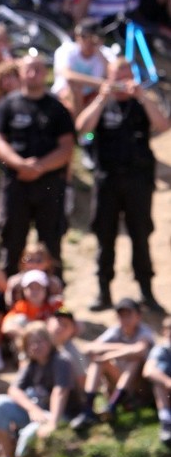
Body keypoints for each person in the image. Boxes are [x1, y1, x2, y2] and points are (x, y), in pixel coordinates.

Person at [75, 56, 169, 313]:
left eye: (127, 73)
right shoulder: (100, 102)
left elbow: (163, 125)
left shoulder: (141, 103)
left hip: (139, 181)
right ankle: (104, 291)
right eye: (118, 74)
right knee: (105, 237)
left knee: (141, 236)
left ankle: (146, 291)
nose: (123, 79)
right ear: (109, 76)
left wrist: (143, 97)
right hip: (107, 181)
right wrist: (102, 97)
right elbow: (83, 129)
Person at [0, 53, 75, 275]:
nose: (33, 73)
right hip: (16, 182)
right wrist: (21, 165)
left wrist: (39, 167)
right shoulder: (7, 105)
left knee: (51, 243)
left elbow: (67, 147)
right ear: (20, 73)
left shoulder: (57, 108)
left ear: (45, 74)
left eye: (38, 69)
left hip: (49, 183)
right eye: (28, 69)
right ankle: (8, 298)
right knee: (12, 241)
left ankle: (55, 300)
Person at [0, 322, 76, 457]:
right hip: (38, 413)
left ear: (49, 341)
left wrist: (52, 423)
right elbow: (13, 390)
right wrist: (32, 409)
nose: (36, 346)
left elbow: (59, 392)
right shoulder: (32, 364)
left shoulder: (61, 361)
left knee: (28, 433)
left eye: (40, 341)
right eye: (31, 343)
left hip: (61, 415)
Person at [71, 298, 155, 431]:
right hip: (121, 384)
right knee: (99, 361)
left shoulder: (144, 331)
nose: (124, 319)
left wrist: (110, 354)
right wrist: (119, 347)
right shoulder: (116, 330)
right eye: (121, 315)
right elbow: (89, 348)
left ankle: (112, 405)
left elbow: (139, 350)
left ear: (138, 316)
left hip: (142, 389)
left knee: (134, 360)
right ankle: (88, 410)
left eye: (129, 314)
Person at [143, 313, 171, 445]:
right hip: (165, 394)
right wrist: (168, 382)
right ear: (165, 331)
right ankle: (167, 422)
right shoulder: (161, 349)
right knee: (159, 383)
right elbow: (148, 371)